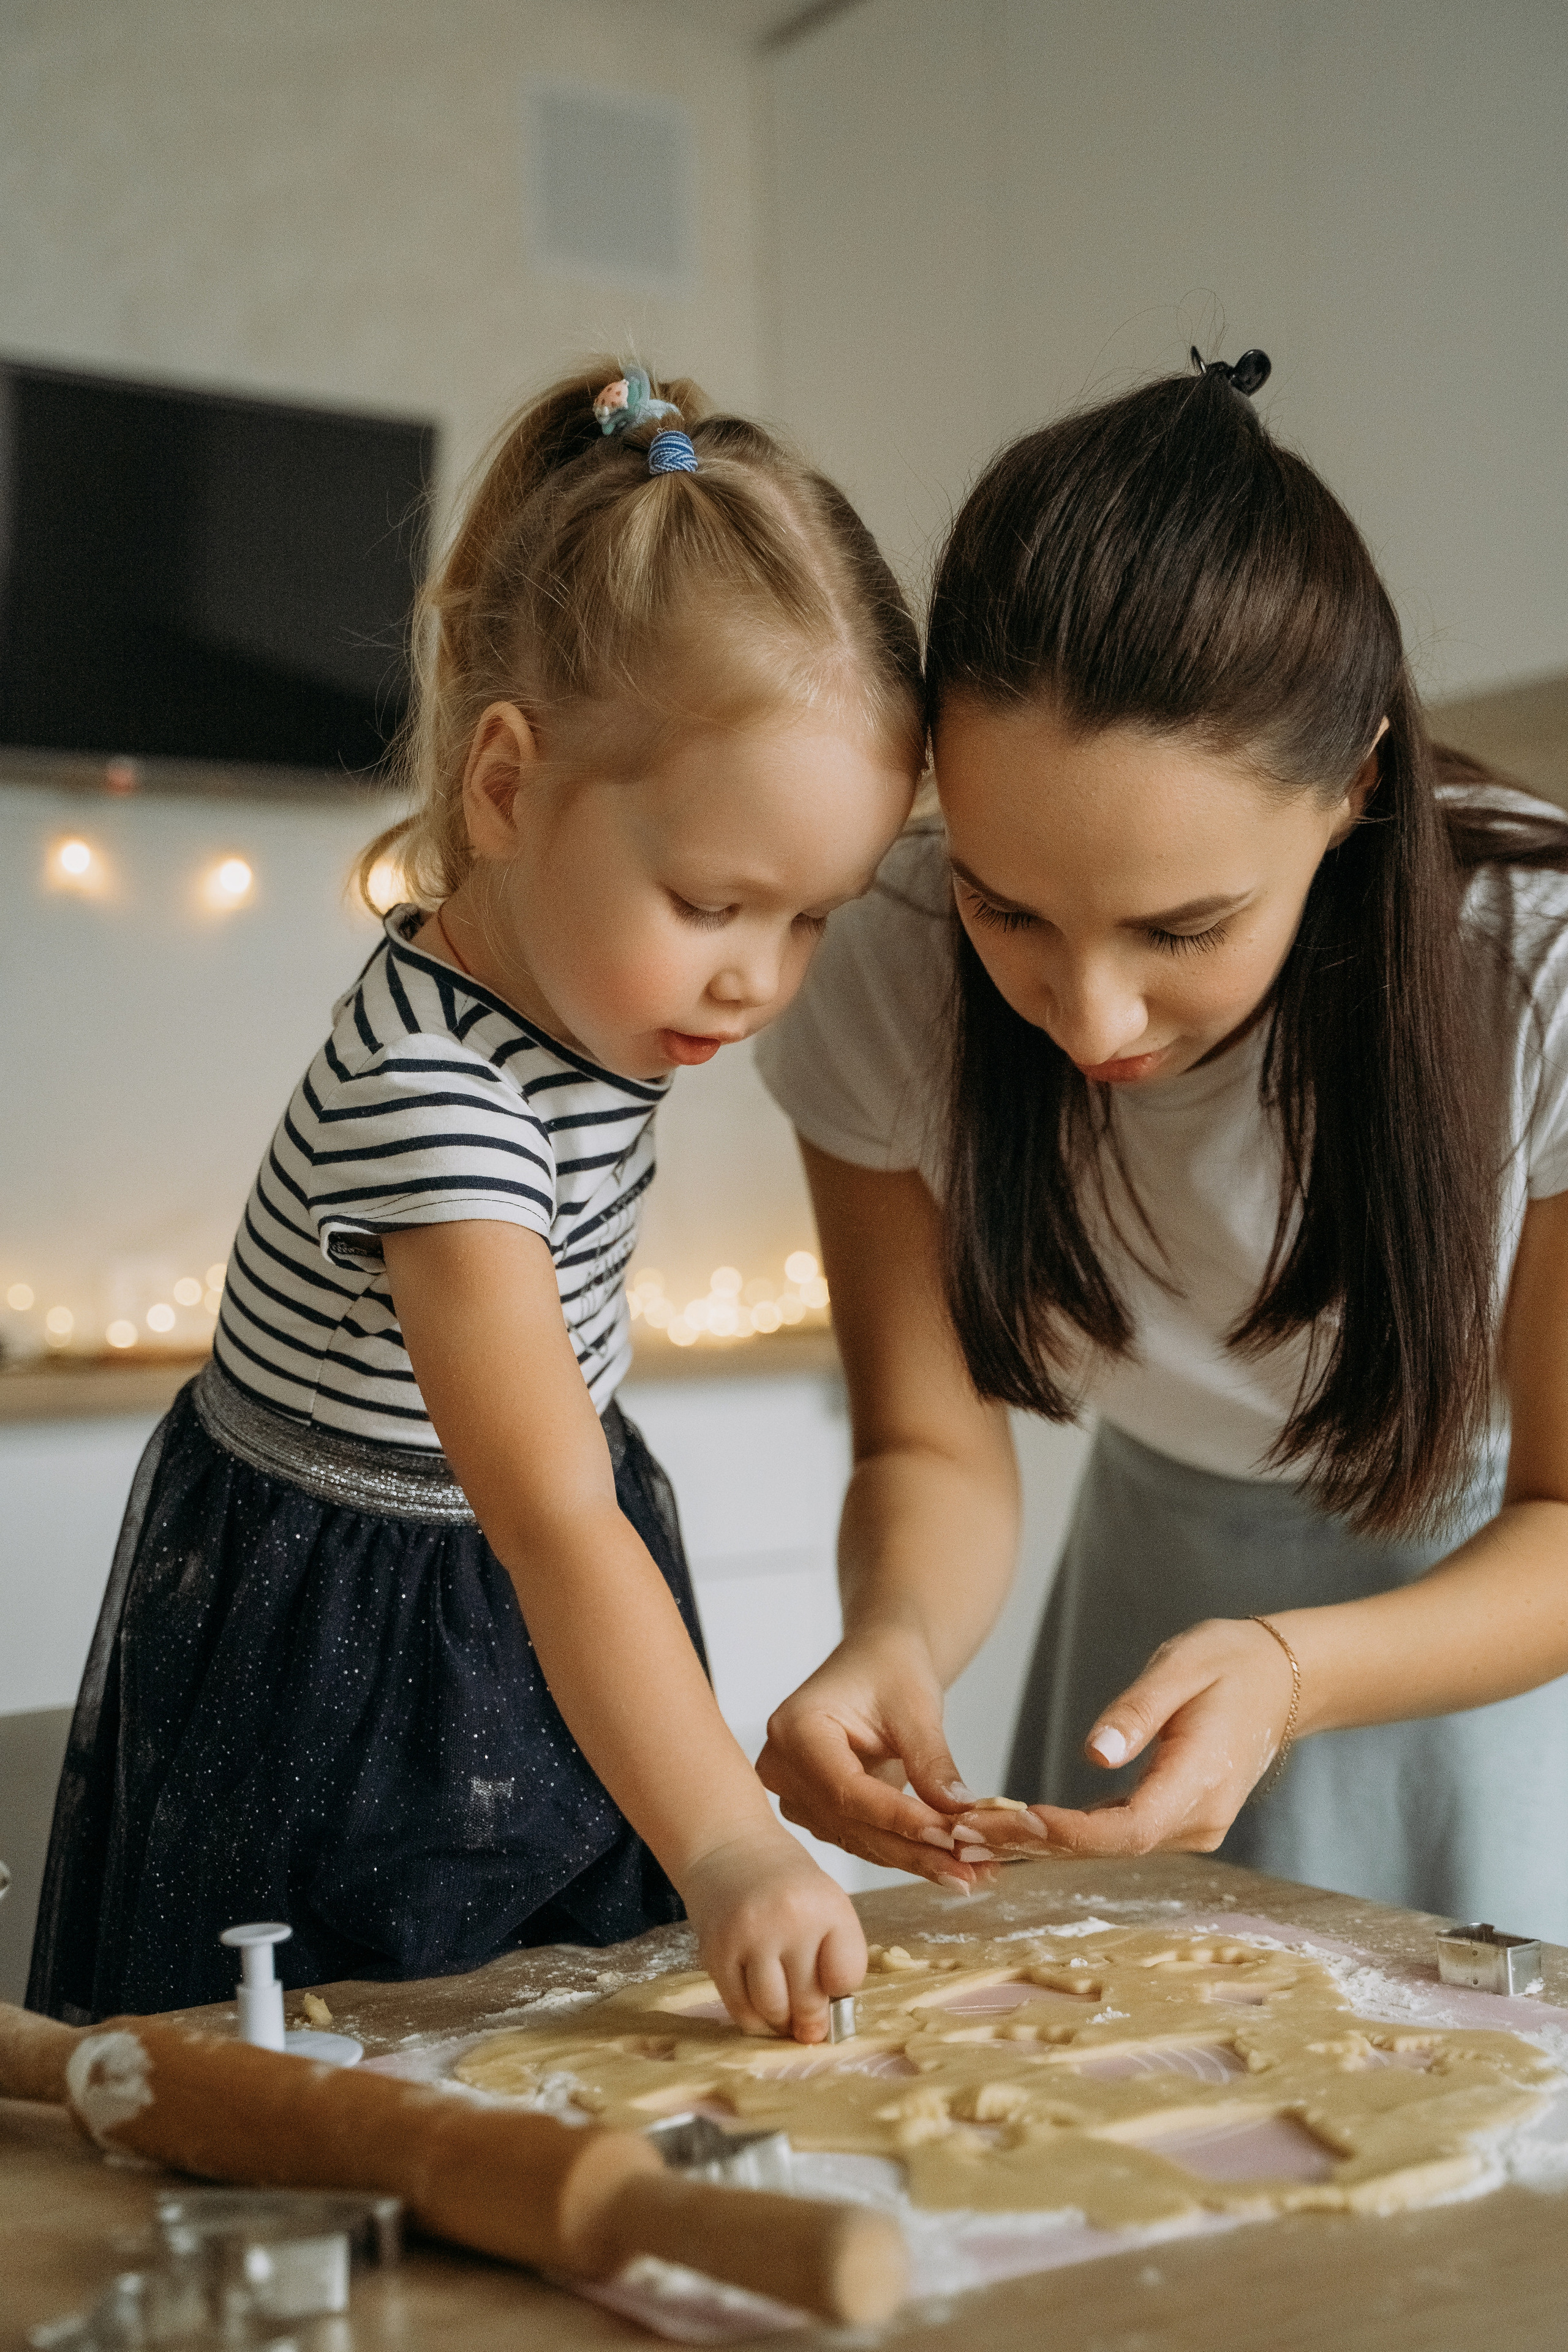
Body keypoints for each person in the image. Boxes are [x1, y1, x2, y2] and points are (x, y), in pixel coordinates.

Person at [29, 363, 932, 2034]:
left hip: (530, 1554)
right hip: (359, 1631)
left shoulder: (589, 1014)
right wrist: (732, 1839)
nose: (759, 981)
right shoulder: (429, 1103)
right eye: (715, 901)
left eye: (812, 920)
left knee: (563, 2029)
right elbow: (550, 1523)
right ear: (507, 785)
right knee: (361, 2057)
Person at [753, 349, 1568, 1940]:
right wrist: (893, 1643)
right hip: (1147, 1581)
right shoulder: (883, 957)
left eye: (1182, 927)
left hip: (1483, 1636)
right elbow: (928, 1448)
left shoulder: (1535, 971)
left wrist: (1290, 1669)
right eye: (1009, 907)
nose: (1092, 1013)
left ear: (1355, 790)